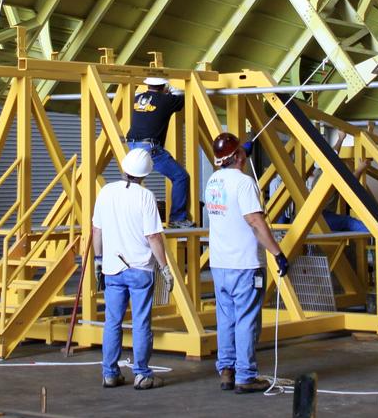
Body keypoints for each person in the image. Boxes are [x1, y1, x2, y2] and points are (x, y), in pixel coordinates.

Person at [206, 133, 289, 394]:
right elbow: (255, 221)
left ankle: (227, 371)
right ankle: (246, 375)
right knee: (246, 320)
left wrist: (241, 154)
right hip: (244, 264)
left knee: (226, 318)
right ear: (238, 156)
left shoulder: (213, 181)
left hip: (220, 263)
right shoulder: (244, 183)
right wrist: (277, 252)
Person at [92, 148, 174, 391]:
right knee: (140, 323)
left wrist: (99, 259)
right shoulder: (145, 196)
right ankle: (141, 374)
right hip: (140, 269)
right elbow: (153, 237)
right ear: (146, 173)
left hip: (112, 269)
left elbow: (97, 231)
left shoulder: (106, 191)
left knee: (112, 322)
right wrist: (165, 267)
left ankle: (109, 373)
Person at [126, 76, 193, 228]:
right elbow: (182, 100)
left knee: (134, 181)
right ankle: (177, 218)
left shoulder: (137, 99)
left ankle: (129, 215)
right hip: (150, 147)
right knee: (180, 177)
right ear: (164, 87)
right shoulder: (166, 101)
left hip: (132, 145)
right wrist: (173, 92)